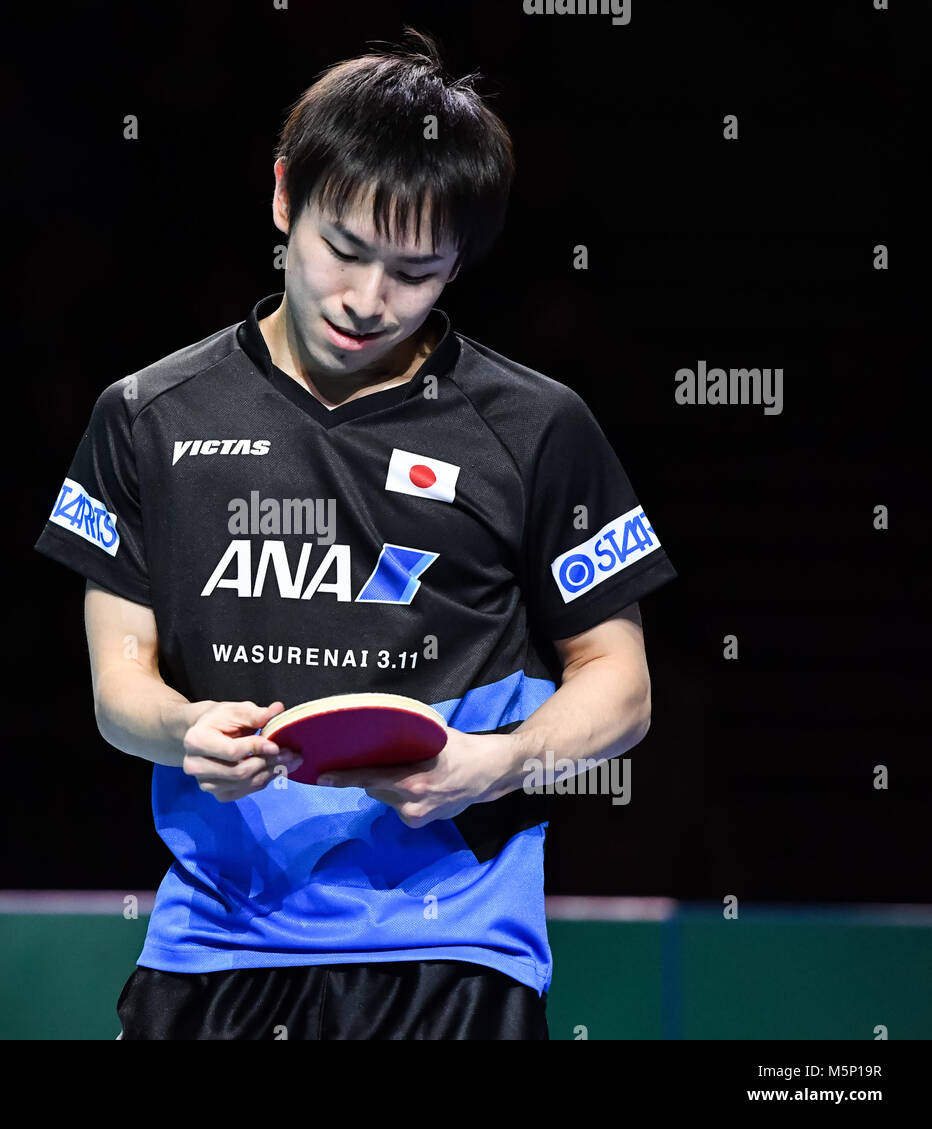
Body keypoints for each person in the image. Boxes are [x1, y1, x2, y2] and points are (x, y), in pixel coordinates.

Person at [34, 27, 677, 1039]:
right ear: (285, 197)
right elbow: (122, 693)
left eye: (416, 271)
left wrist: (493, 762)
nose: (367, 300)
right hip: (217, 944)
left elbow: (622, 686)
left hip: (451, 947)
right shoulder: (149, 416)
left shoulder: (536, 428)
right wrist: (185, 731)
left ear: (459, 261)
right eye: (343, 247)